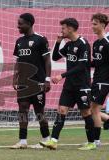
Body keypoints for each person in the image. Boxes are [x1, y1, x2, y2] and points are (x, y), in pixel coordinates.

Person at [40, 18, 96, 150]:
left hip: (82, 85)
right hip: (69, 85)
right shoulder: (69, 44)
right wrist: (58, 42)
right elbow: (54, 57)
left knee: (86, 113)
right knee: (61, 110)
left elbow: (82, 66)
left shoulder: (83, 43)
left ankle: (92, 142)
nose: (61, 30)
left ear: (70, 28)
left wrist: (61, 75)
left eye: (63, 28)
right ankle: (53, 141)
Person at [10, 13, 51, 149]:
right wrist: (15, 77)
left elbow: (47, 61)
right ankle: (22, 141)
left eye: (20, 23)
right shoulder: (19, 41)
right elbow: (18, 60)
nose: (18, 26)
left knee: (39, 111)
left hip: (38, 82)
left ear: (29, 23)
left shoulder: (40, 39)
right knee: (22, 110)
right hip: (23, 83)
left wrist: (47, 79)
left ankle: (46, 138)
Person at [90, 13, 109, 146]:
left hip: (104, 81)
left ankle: (96, 141)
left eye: (95, 24)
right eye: (92, 23)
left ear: (103, 25)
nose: (92, 26)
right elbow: (96, 63)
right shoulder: (96, 43)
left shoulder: (107, 43)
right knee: (90, 109)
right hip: (97, 80)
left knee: (94, 110)